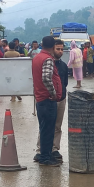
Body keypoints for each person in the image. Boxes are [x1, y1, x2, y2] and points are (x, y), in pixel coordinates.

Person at [32, 35, 62, 166]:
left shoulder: (37, 57)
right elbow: (46, 78)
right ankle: (45, 157)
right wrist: (53, 93)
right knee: (48, 130)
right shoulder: (48, 59)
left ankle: (44, 154)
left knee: (44, 128)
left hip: (40, 98)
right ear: (53, 46)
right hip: (47, 99)